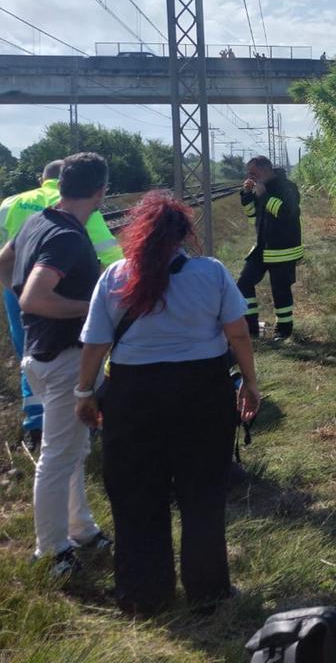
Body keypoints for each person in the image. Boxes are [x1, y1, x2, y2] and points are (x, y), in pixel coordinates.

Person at [75, 192, 260, 614]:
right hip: (203, 392)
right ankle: (208, 591)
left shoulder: (115, 276)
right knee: (202, 494)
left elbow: (95, 344)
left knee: (136, 494)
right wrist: (249, 383)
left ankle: (144, 594)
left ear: (136, 234)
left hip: (132, 396)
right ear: (184, 235)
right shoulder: (211, 273)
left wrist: (84, 392)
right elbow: (239, 334)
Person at [0, 153, 112, 578]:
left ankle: (81, 529)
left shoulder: (36, 221)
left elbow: (5, 264)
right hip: (62, 358)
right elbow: (35, 298)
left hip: (40, 353)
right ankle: (51, 552)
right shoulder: (66, 237)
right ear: (101, 192)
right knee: (57, 456)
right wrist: (98, 310)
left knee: (72, 450)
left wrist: (19, 304)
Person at [1, 161, 122, 452]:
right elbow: (111, 255)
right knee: (67, 359)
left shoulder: (12, 203)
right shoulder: (76, 209)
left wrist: (17, 291)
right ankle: (73, 421)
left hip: (18, 288)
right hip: (61, 290)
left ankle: (36, 425)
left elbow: (3, 255)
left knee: (30, 353)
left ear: (42, 179)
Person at [237, 156, 302, 340]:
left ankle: (284, 330)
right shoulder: (259, 188)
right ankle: (250, 328)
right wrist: (247, 195)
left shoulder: (287, 187)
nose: (251, 176)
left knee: (280, 290)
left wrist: (264, 195)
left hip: (283, 248)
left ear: (267, 170)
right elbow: (252, 215)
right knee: (243, 283)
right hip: (262, 247)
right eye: (249, 173)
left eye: (254, 173)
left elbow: (285, 213)